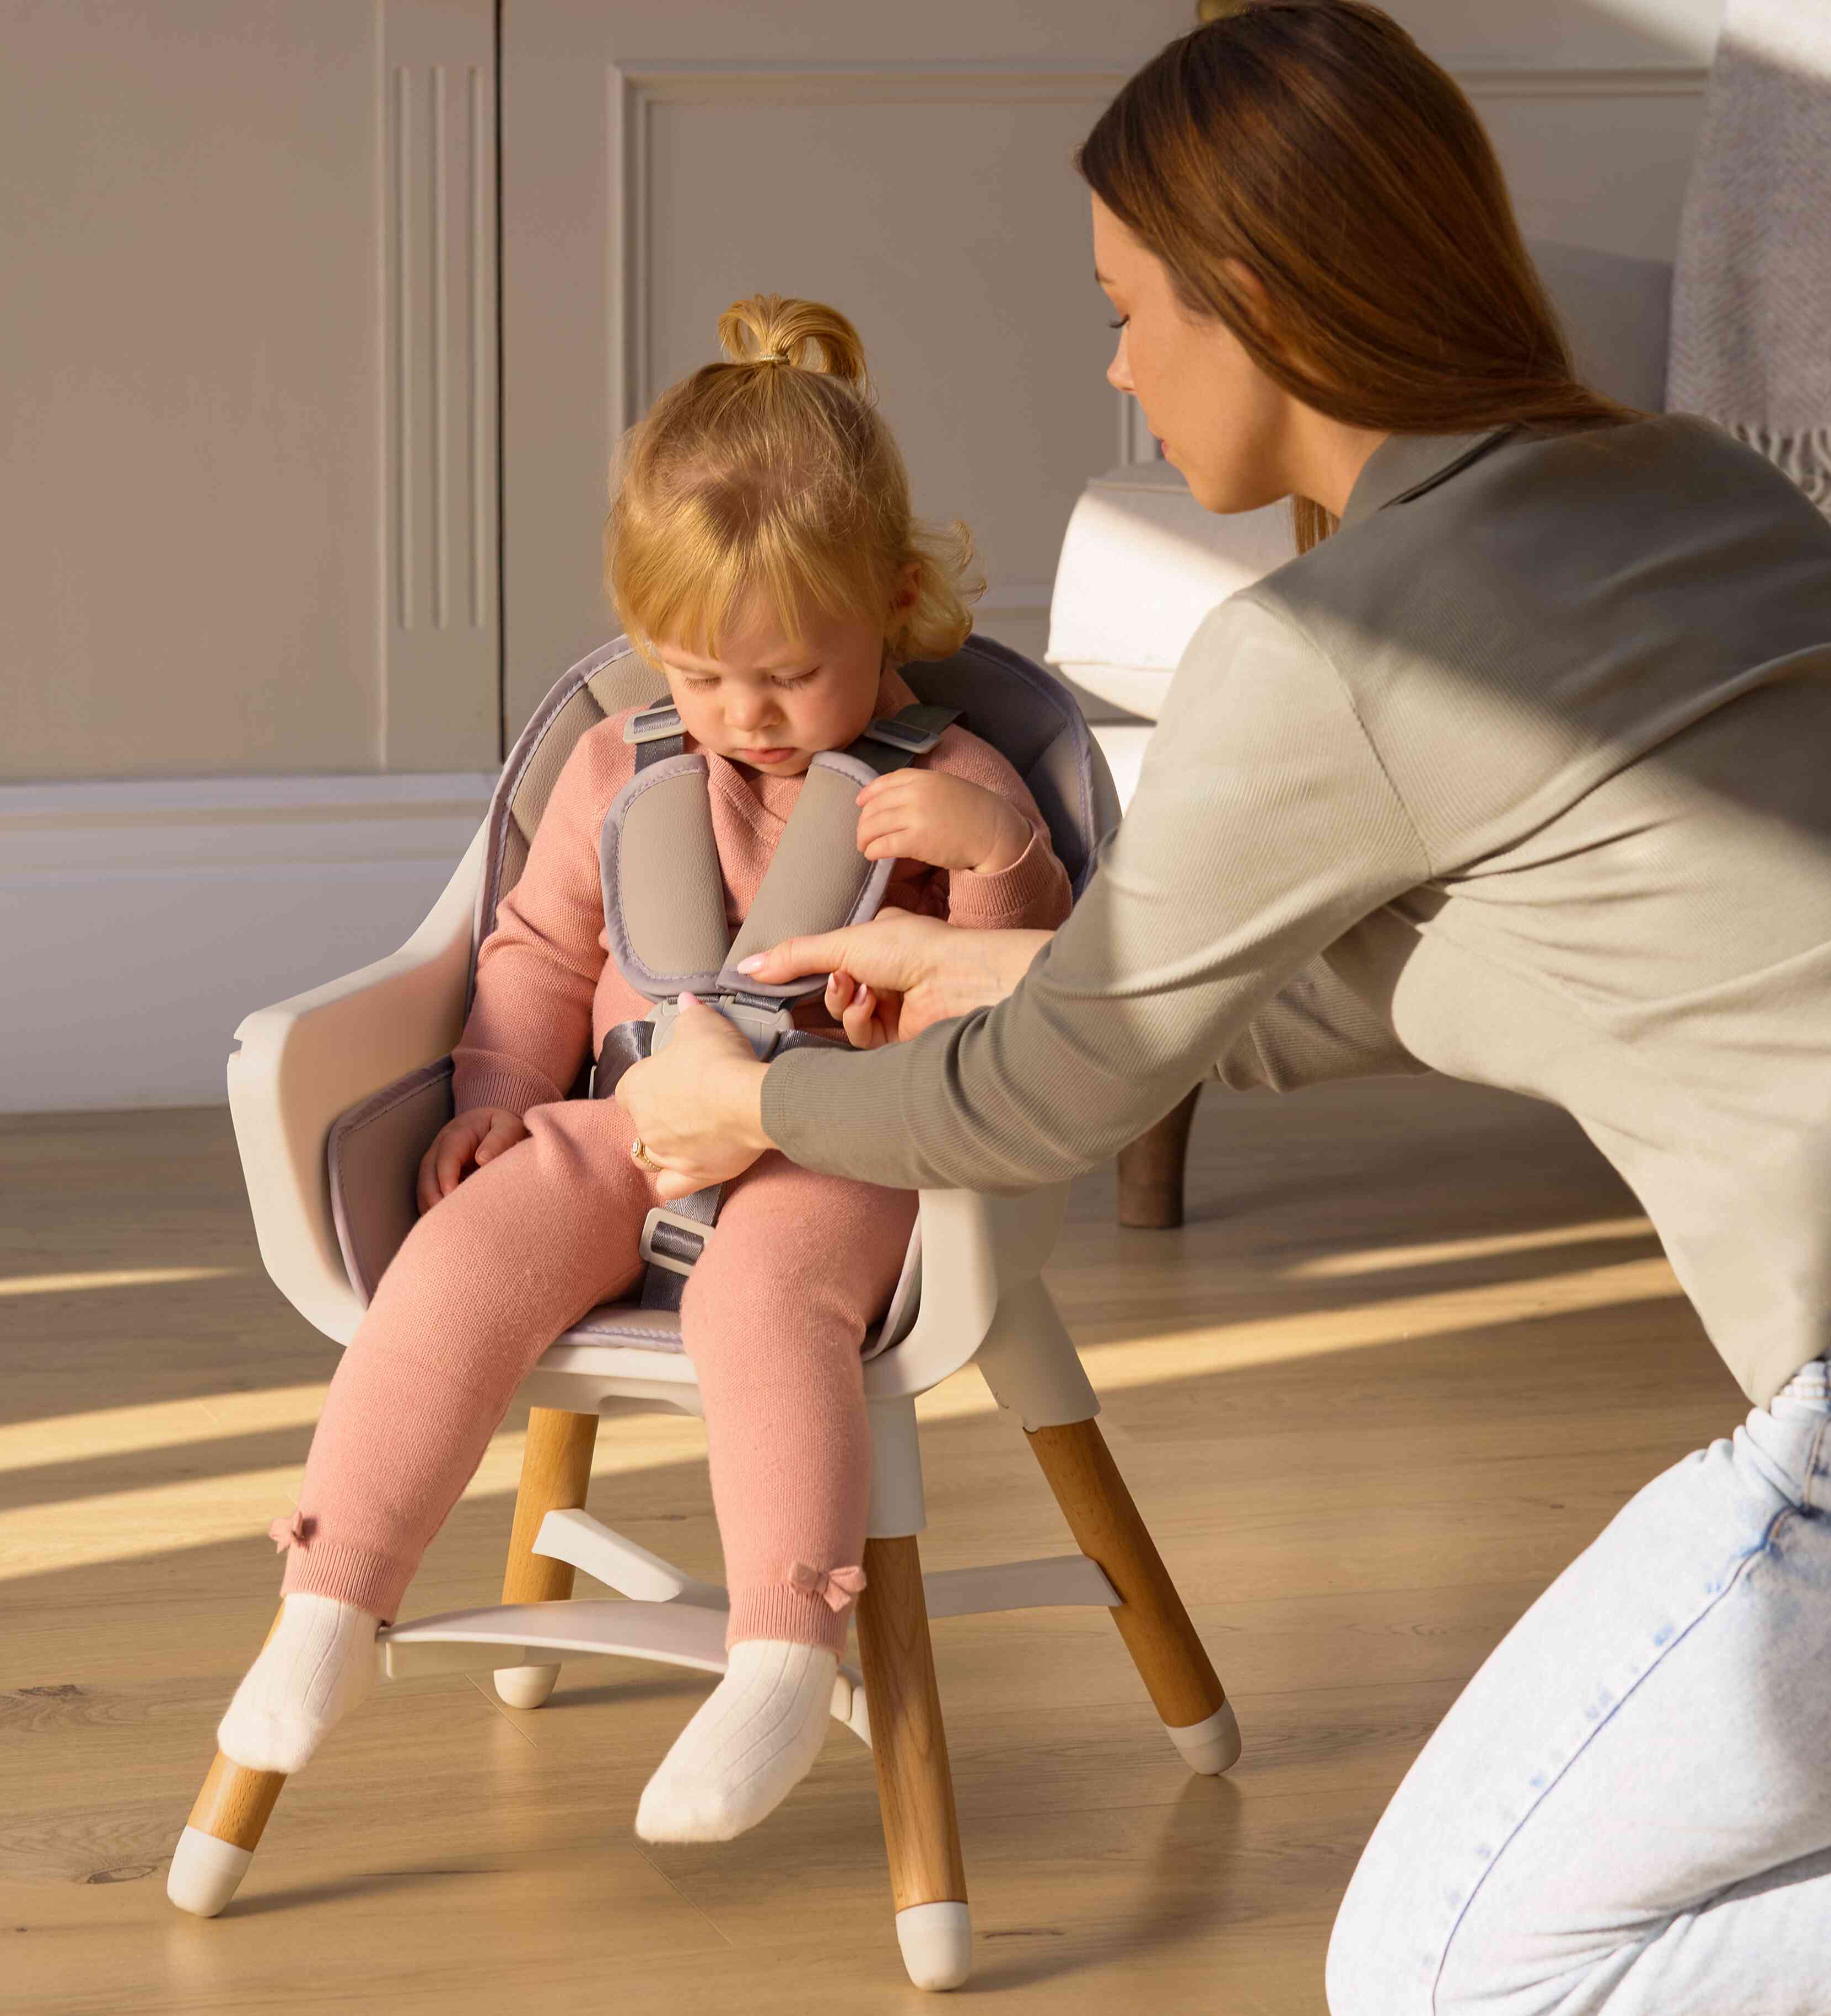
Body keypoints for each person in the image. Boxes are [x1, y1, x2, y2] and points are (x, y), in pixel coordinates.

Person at [615, 6, 1831, 2010]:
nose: (1111, 363)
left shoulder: (1328, 645)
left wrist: (760, 1114)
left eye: (1123, 306)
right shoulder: (1703, 490)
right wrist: (1021, 967)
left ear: (1255, 300)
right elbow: (1485, 955)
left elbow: (1046, 1104)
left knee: (1445, 1973)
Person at [207, 294, 1071, 1843]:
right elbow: (532, 951)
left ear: (894, 602)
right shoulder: (621, 767)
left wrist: (999, 862)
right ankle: (333, 1598)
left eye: (790, 677)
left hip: (840, 1144)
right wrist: (487, 1100)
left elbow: (1038, 1011)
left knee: (764, 1297)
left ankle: (780, 1653)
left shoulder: (955, 788)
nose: (743, 717)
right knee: (465, 1251)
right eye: (695, 674)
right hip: (628, 1118)